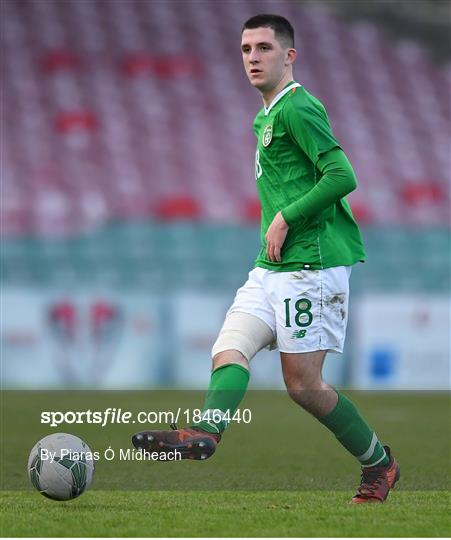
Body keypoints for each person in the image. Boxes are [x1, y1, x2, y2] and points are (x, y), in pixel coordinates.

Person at [133, 13, 400, 504]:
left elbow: (342, 175)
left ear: (289, 55)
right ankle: (205, 433)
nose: (253, 58)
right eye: (246, 49)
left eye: (264, 48)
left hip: (310, 268)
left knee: (303, 387)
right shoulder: (266, 114)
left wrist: (285, 218)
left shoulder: (300, 108)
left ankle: (379, 465)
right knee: (228, 349)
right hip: (270, 268)